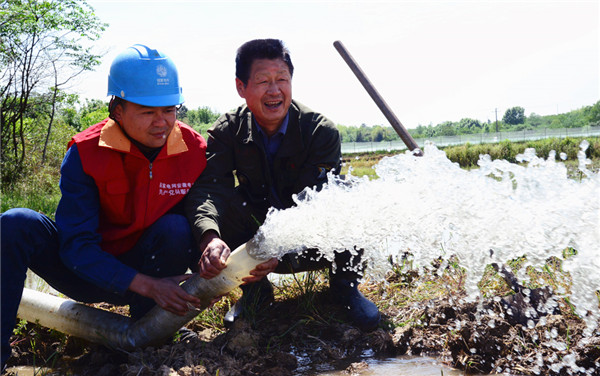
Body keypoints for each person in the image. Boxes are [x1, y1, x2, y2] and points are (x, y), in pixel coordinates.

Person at [1, 44, 207, 369]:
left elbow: (206, 216)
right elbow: (77, 247)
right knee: (15, 223)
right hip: (88, 273)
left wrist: (214, 257)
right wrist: (142, 282)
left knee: (176, 227)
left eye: (169, 110)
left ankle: (154, 336)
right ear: (118, 110)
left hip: (157, 282)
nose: (162, 122)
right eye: (147, 111)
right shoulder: (86, 153)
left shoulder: (194, 150)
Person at [185, 39, 380, 331]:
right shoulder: (226, 131)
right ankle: (256, 294)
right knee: (205, 213)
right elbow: (210, 191)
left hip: (308, 236)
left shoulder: (320, 131)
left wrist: (276, 245)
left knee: (349, 196)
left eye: (282, 80)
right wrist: (209, 238)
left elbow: (313, 202)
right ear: (241, 87)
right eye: (263, 81)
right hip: (256, 237)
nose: (275, 91)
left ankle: (345, 288)